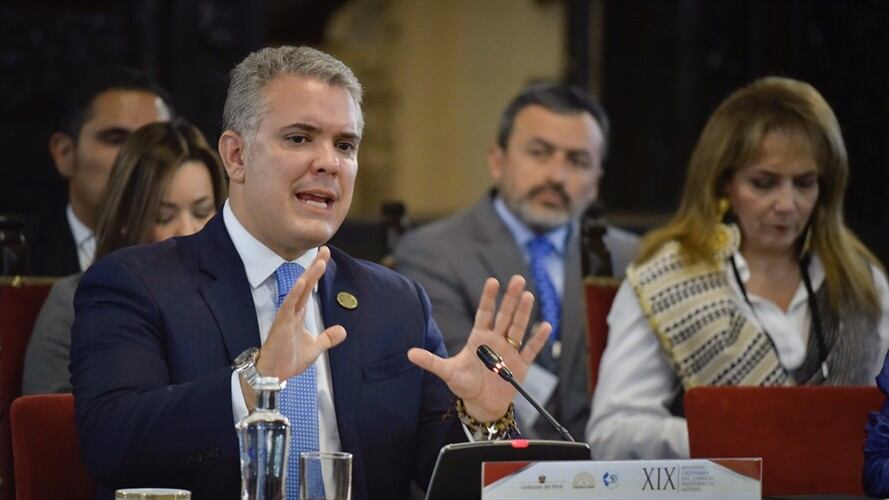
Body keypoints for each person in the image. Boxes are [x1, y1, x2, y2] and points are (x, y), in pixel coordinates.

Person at [70, 46, 550, 500]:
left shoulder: (395, 302)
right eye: (299, 138)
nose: (328, 163)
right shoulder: (136, 283)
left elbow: (446, 479)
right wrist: (255, 384)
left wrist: (483, 419)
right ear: (236, 156)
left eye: (345, 145)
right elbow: (112, 447)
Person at [587, 76, 889, 460]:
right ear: (722, 183)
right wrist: (732, 436)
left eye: (805, 183)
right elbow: (612, 433)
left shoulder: (863, 282)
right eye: (764, 183)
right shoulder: (665, 281)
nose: (787, 204)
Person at [394, 83, 638, 441]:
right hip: (493, 469)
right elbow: (457, 383)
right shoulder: (433, 253)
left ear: (597, 180)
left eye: (577, 160)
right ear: (497, 161)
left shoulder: (630, 258)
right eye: (540, 153)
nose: (557, 175)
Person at [22, 119, 227, 395]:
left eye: (202, 213)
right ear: (126, 219)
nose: (187, 230)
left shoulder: (234, 297)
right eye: (163, 216)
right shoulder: (73, 301)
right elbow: (49, 425)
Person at [22, 68, 173, 276]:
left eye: (154, 141)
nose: (136, 156)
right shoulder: (18, 254)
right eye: (116, 139)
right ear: (65, 153)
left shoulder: (203, 253)